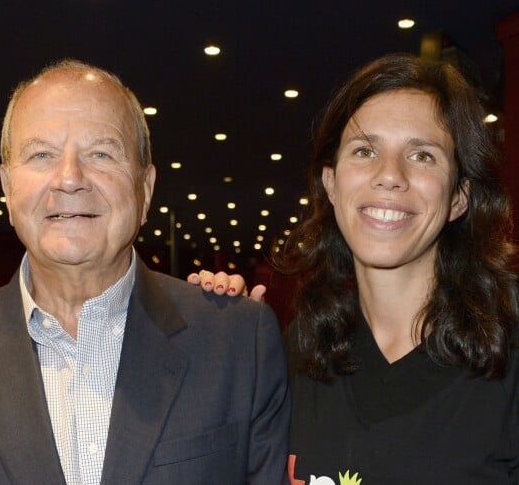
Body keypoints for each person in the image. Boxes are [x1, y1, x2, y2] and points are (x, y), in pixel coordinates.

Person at [0, 59, 290, 484]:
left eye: (101, 153)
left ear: (145, 189)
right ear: (8, 187)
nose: (69, 178)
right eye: (41, 154)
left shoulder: (237, 341)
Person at [191, 53, 519, 484]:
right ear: (331, 183)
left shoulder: (508, 351)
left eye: (422, 156)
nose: (389, 175)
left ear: (459, 196)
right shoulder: (299, 352)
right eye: (365, 151)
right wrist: (222, 342)